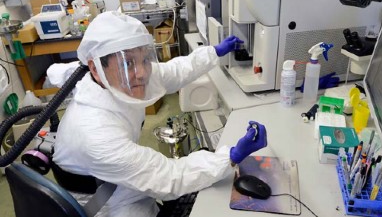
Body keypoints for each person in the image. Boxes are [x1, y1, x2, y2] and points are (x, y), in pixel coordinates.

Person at [52, 11, 267, 217]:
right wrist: (229, 157)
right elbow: (169, 177)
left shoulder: (116, 82)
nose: (143, 72)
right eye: (128, 63)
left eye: (145, 59)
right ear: (96, 69)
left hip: (116, 178)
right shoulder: (95, 133)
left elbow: (174, 71)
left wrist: (214, 52)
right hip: (104, 201)